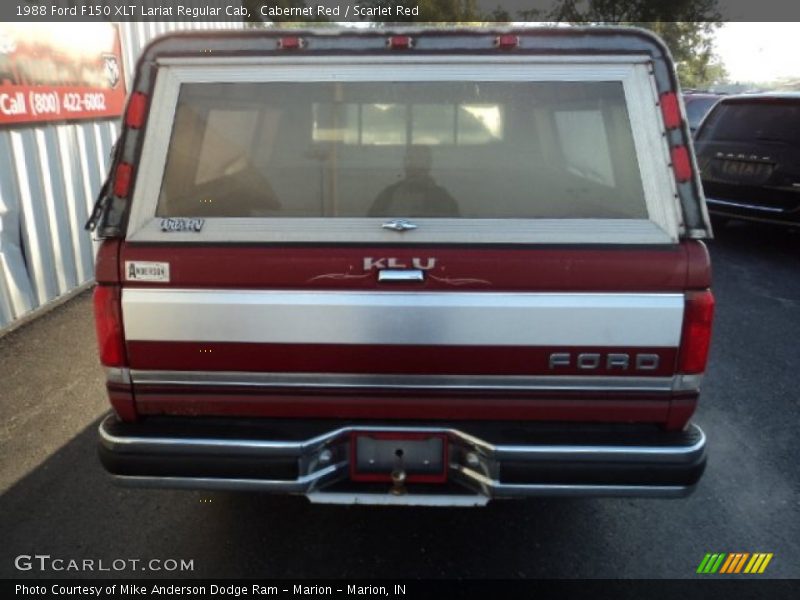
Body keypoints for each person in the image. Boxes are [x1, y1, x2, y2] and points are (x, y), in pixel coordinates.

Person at [368, 145, 459, 217]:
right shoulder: (389, 195)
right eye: (410, 159)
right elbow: (371, 226)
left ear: (428, 164)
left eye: (419, 160)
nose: (414, 165)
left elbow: (453, 230)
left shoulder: (442, 199)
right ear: (404, 163)